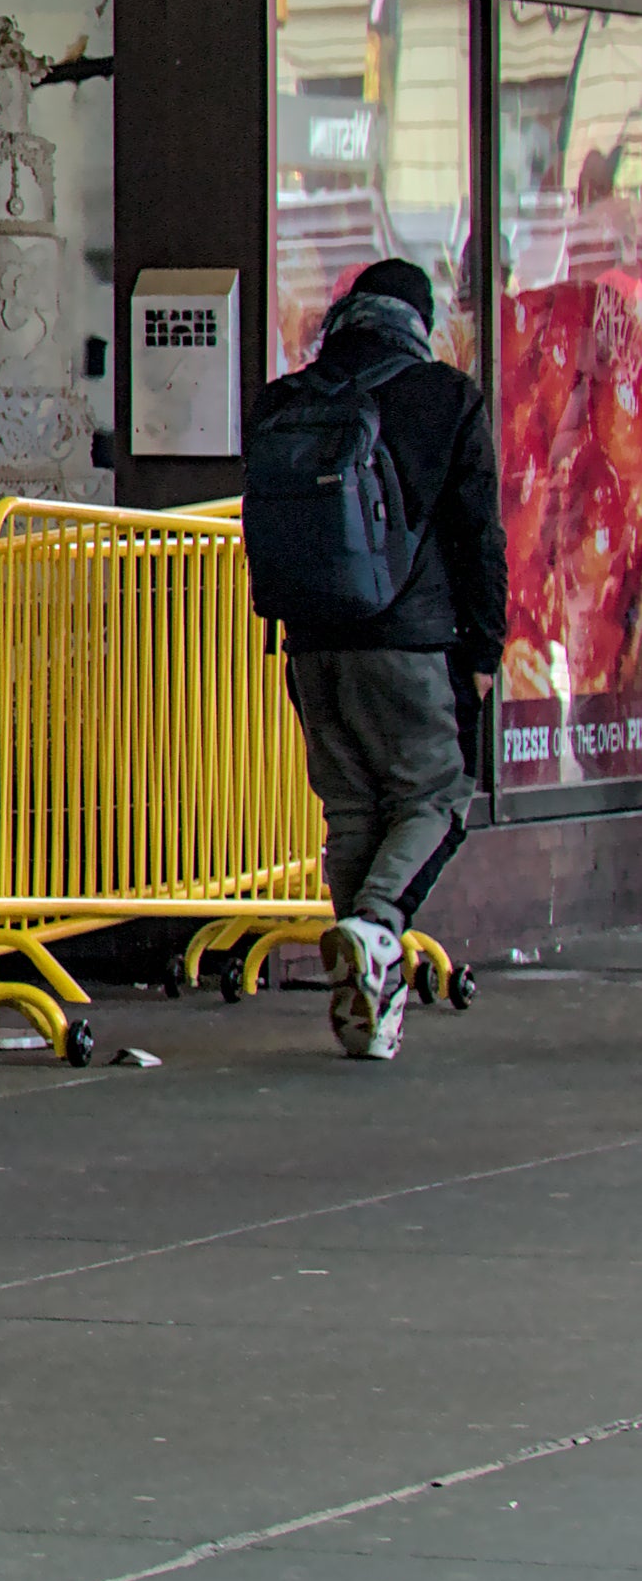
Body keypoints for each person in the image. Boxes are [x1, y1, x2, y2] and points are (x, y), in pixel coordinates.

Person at [252, 257, 504, 1061]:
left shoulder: (287, 400)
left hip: (312, 645)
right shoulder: (445, 399)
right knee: (435, 796)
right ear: (416, 321)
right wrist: (486, 645)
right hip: (410, 645)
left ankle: (367, 997)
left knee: (353, 811)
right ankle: (376, 927)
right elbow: (478, 539)